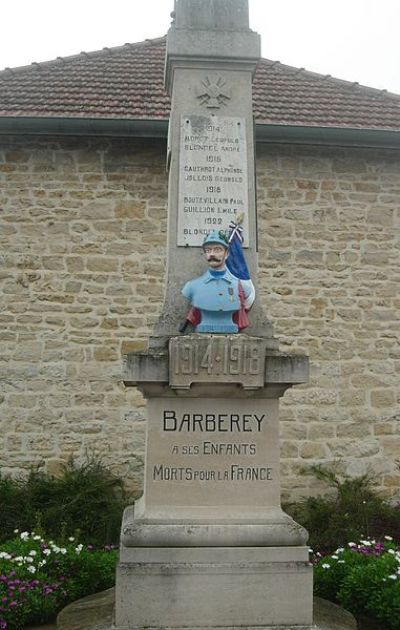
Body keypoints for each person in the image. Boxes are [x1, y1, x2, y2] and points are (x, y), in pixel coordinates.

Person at [181, 230, 253, 333]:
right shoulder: (192, 286)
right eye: (208, 250)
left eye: (217, 250)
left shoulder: (240, 286)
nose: (212, 254)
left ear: (227, 254)